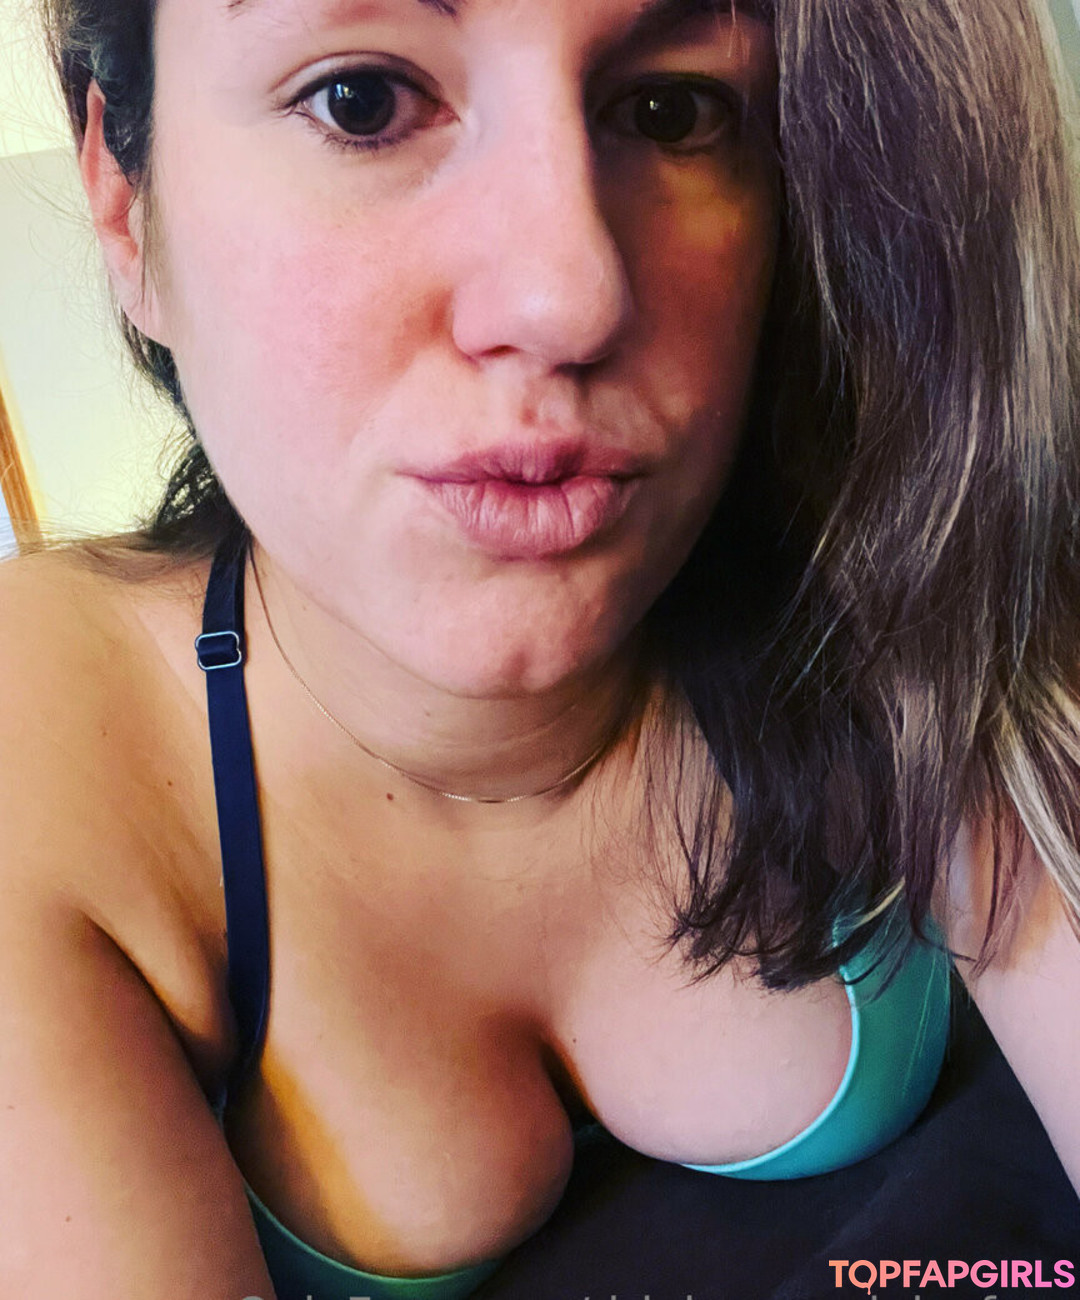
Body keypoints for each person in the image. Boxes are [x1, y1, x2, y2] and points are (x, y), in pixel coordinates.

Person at [0, 0, 1074, 1296]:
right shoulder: (41, 744)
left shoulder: (900, 539)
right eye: (362, 100)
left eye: (672, 110)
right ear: (126, 204)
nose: (571, 298)